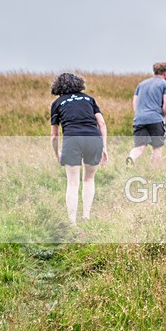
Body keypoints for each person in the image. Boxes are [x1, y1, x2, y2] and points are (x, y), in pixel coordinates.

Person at [49, 72, 108, 225]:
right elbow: (101, 123)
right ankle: (86, 216)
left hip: (72, 140)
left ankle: (72, 222)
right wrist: (104, 147)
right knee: (89, 179)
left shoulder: (57, 103)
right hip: (93, 139)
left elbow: (54, 136)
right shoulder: (89, 99)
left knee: (72, 183)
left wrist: (57, 154)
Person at [126, 62, 166, 166]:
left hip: (139, 119)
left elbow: (135, 102)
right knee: (157, 147)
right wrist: (162, 117)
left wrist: (139, 115)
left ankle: (131, 159)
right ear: (165, 73)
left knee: (139, 147)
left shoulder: (141, 84)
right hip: (155, 119)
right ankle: (154, 171)